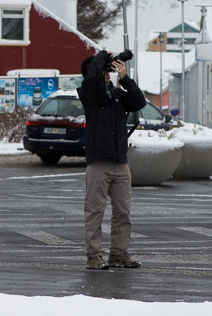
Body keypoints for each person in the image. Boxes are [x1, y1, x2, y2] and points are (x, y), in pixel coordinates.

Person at [77, 50, 146, 270]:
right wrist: (101, 56)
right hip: (98, 163)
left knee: (123, 211)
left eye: (108, 70)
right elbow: (92, 77)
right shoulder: (90, 95)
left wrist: (125, 79)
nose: (107, 73)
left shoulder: (117, 95)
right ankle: (94, 256)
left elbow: (139, 101)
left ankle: (118, 253)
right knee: (95, 211)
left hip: (120, 162)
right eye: (104, 70)